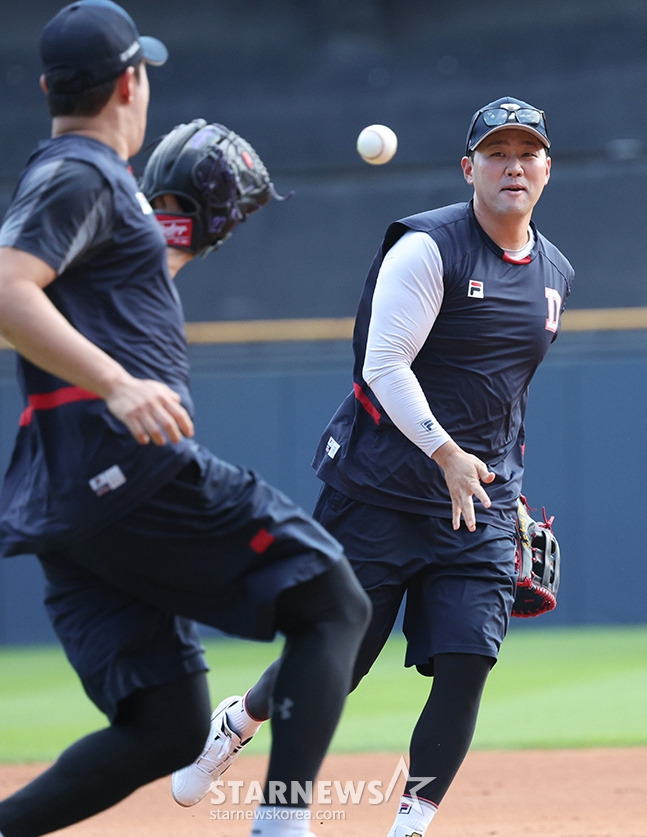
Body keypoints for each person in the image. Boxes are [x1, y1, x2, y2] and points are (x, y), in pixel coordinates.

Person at [0, 3, 370, 837]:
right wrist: (120, 384)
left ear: (50, 86)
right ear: (131, 82)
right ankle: (282, 825)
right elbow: (8, 290)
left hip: (70, 499)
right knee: (336, 605)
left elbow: (99, 298)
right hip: (128, 464)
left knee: (166, 723)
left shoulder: (77, 179)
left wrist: (176, 242)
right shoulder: (82, 173)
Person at [171, 96, 574, 835]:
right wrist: (447, 451)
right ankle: (241, 721)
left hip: (475, 504)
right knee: (338, 661)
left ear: (547, 169)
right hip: (380, 491)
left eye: (527, 152)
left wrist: (505, 484)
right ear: (468, 168)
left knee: (465, 660)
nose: (512, 164)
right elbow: (382, 366)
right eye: (495, 152)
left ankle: (408, 826)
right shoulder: (427, 248)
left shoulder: (554, 275)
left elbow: (504, 390)